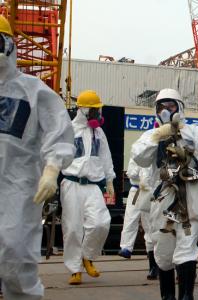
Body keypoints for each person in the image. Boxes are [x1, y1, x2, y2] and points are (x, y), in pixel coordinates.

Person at [0, 15, 75, 299]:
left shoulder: (33, 90)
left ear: (10, 45)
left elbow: (58, 130)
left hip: (17, 189)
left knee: (15, 259)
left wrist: (52, 169)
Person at [132, 88, 198, 300]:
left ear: (180, 108)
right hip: (162, 200)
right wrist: (158, 136)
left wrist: (190, 154)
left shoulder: (195, 133)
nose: (166, 111)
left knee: (186, 248)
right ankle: (167, 296)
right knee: (164, 254)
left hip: (190, 197)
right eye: (161, 107)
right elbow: (140, 158)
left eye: (171, 106)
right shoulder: (150, 136)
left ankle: (186, 296)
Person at [60, 90, 115, 285]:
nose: (96, 114)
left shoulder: (98, 132)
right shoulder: (68, 130)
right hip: (72, 183)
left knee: (101, 222)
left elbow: (105, 156)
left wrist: (110, 180)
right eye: (93, 110)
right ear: (82, 110)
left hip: (93, 185)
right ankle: (75, 269)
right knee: (73, 228)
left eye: (97, 110)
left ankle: (87, 256)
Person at [117, 157, 158, 280]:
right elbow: (131, 172)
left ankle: (154, 265)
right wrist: (141, 172)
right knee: (130, 219)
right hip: (137, 190)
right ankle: (126, 247)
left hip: (152, 192)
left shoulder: (159, 153)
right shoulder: (138, 151)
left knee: (150, 226)